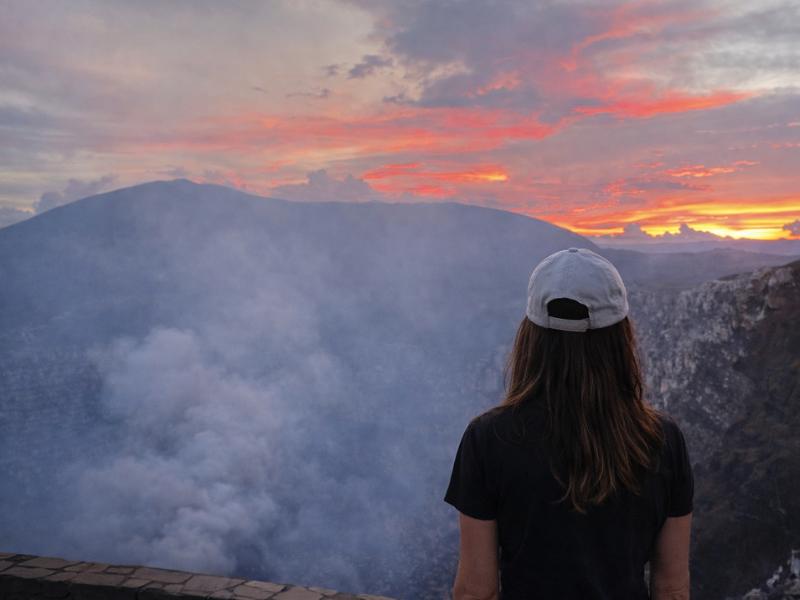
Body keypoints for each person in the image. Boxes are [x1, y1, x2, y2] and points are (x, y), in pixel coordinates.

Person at [443, 247, 693, 600]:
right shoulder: (663, 441)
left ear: (530, 336)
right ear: (621, 337)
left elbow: (475, 591)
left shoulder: (488, 439)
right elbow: (672, 589)